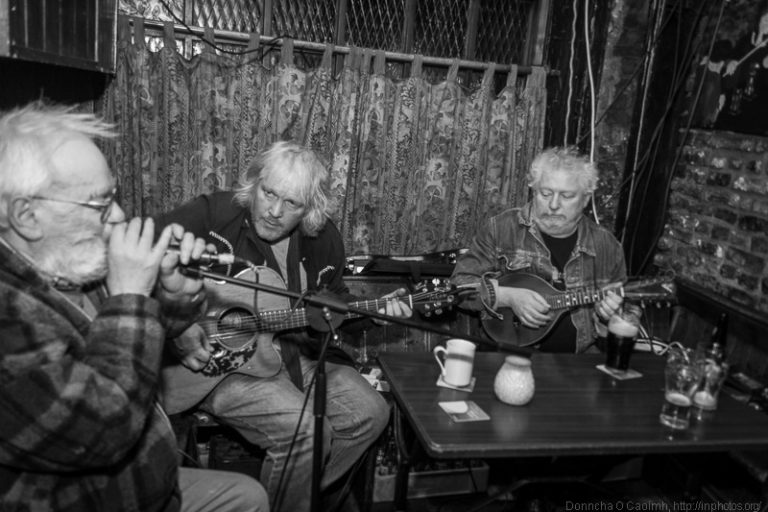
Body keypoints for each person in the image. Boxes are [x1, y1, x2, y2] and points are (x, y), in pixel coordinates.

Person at [0, 102, 268, 512]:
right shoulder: (9, 318)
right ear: (27, 216)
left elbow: (139, 347)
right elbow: (102, 430)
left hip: (148, 482)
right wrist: (131, 297)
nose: (121, 214)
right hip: (81, 499)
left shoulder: (65, 262)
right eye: (100, 204)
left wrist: (177, 299)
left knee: (247, 496)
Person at [156, 140, 412, 512]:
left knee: (371, 414)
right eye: (268, 193)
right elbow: (138, 255)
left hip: (292, 354)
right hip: (215, 365)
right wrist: (176, 326)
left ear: (310, 208)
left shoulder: (323, 239)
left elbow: (334, 312)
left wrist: (372, 313)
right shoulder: (214, 214)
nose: (274, 211)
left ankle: (293, 497)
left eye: (291, 203)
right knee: (308, 431)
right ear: (255, 183)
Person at [451, 146, 626, 353]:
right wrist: (507, 296)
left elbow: (620, 325)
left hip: (579, 363)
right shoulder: (502, 228)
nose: (553, 205)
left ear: (586, 199)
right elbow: (458, 286)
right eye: (545, 193)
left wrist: (607, 318)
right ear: (533, 190)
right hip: (506, 354)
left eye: (567, 196)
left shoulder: (607, 246)